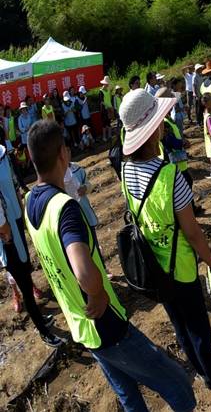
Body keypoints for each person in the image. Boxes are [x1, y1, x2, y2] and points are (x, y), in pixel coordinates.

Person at [24, 119, 198, 410]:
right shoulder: (64, 209)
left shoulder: (31, 201)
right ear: (63, 155)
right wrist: (97, 292)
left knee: (128, 394)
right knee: (178, 384)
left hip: (80, 325)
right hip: (105, 324)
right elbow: (83, 271)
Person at [118, 90, 211, 398]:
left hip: (154, 267)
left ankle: (202, 371)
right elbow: (192, 232)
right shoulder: (169, 176)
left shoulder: (125, 170)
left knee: (180, 325)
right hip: (181, 268)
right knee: (200, 329)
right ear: (153, 129)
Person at [0, 134, 62, 345]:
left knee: (26, 269)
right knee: (23, 280)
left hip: (14, 220)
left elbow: (14, 184)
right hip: (5, 230)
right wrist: (4, 227)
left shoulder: (1, 153)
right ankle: (43, 330)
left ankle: (38, 316)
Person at [99, 76, 114, 142]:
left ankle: (110, 136)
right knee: (104, 124)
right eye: (107, 83)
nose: (108, 84)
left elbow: (109, 98)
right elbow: (101, 101)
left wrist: (110, 107)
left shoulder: (108, 90)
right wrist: (108, 106)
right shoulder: (101, 91)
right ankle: (104, 137)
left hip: (109, 108)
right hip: (104, 109)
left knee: (109, 122)